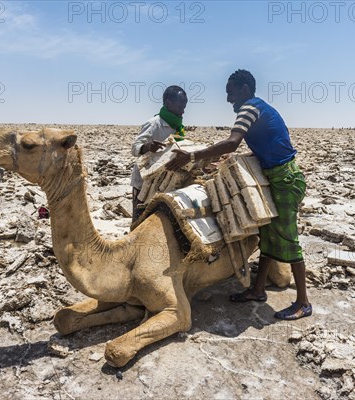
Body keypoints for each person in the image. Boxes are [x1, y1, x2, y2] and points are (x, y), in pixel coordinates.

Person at [165, 70, 311, 320]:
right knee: (267, 233)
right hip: (275, 177)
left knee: (287, 238)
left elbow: (233, 142)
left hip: (285, 180)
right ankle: (257, 289)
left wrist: (191, 157)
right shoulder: (257, 108)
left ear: (244, 89)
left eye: (230, 92)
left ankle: (303, 302)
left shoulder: (249, 108)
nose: (228, 98)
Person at [130, 85, 188, 222]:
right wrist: (148, 147)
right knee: (139, 219)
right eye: (180, 105)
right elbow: (134, 148)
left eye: (184, 106)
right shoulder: (154, 124)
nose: (183, 110)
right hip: (144, 183)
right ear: (168, 103)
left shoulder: (178, 127)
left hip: (164, 182)